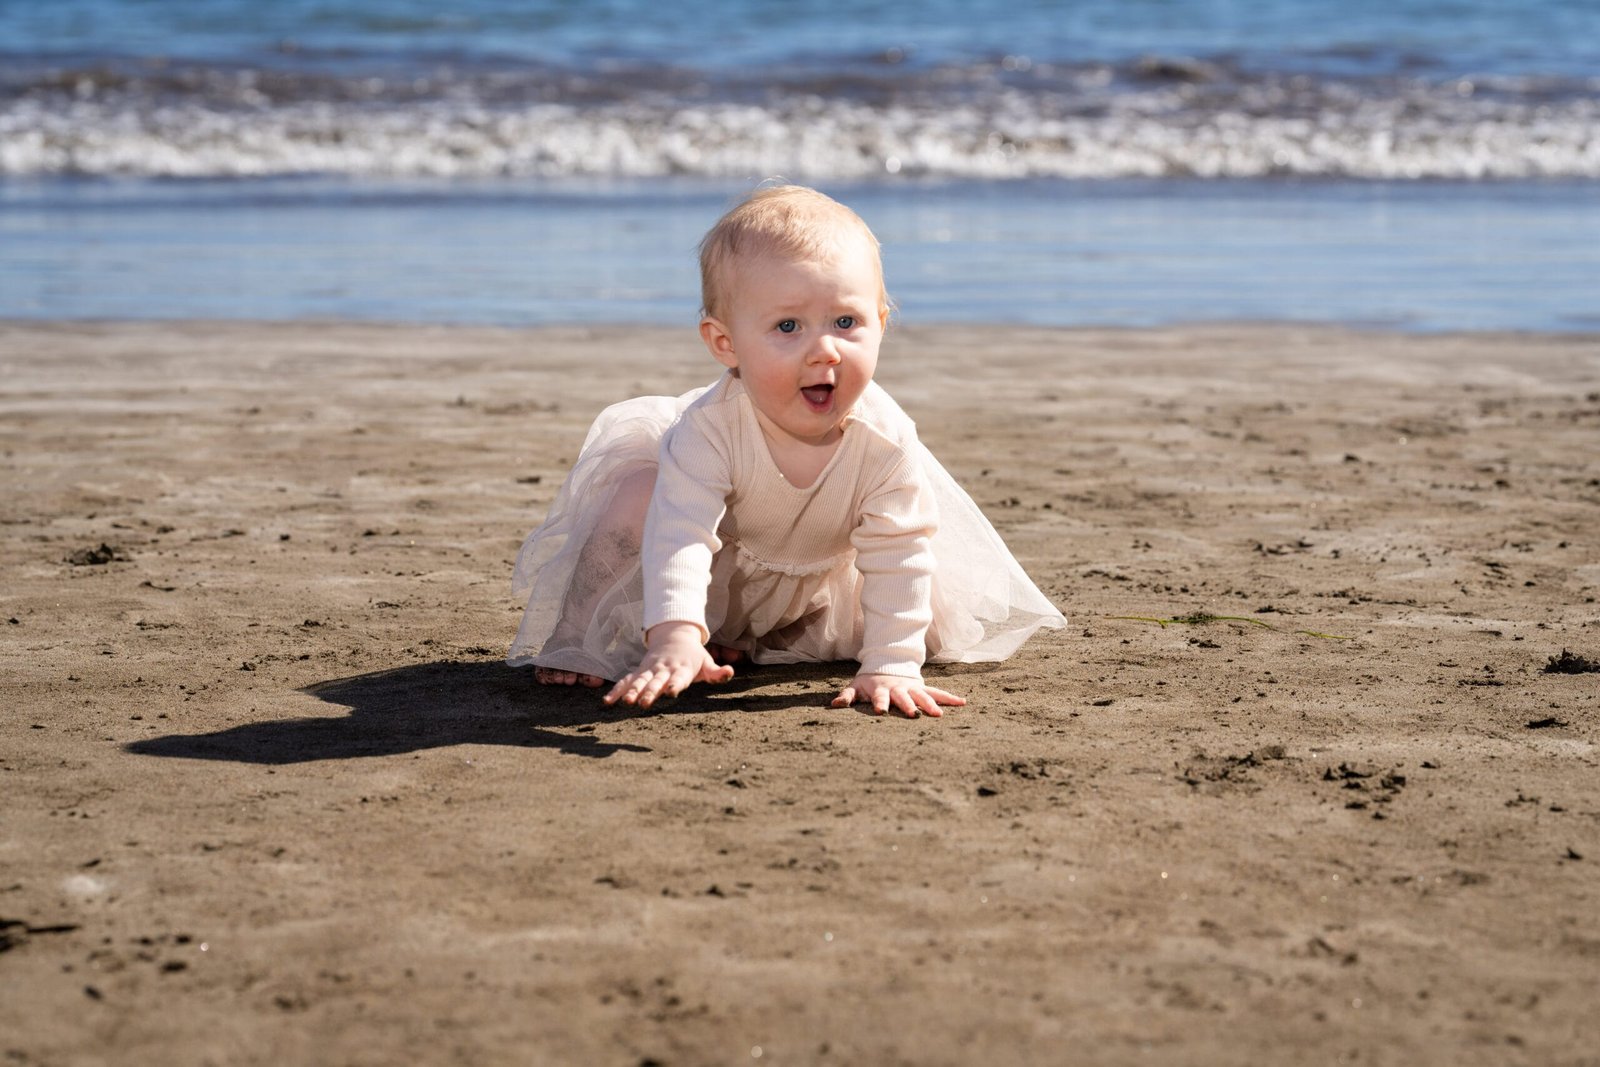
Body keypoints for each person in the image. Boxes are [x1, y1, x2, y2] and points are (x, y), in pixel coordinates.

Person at [509, 184, 1064, 717]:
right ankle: (577, 635)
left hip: (819, 588)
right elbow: (681, 536)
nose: (824, 350)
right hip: (714, 576)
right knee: (639, 493)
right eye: (788, 326)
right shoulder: (711, 428)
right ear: (726, 343)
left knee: (924, 625)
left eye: (845, 322)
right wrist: (674, 634)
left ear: (881, 324)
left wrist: (892, 664)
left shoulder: (884, 439)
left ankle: (746, 641)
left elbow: (898, 551)